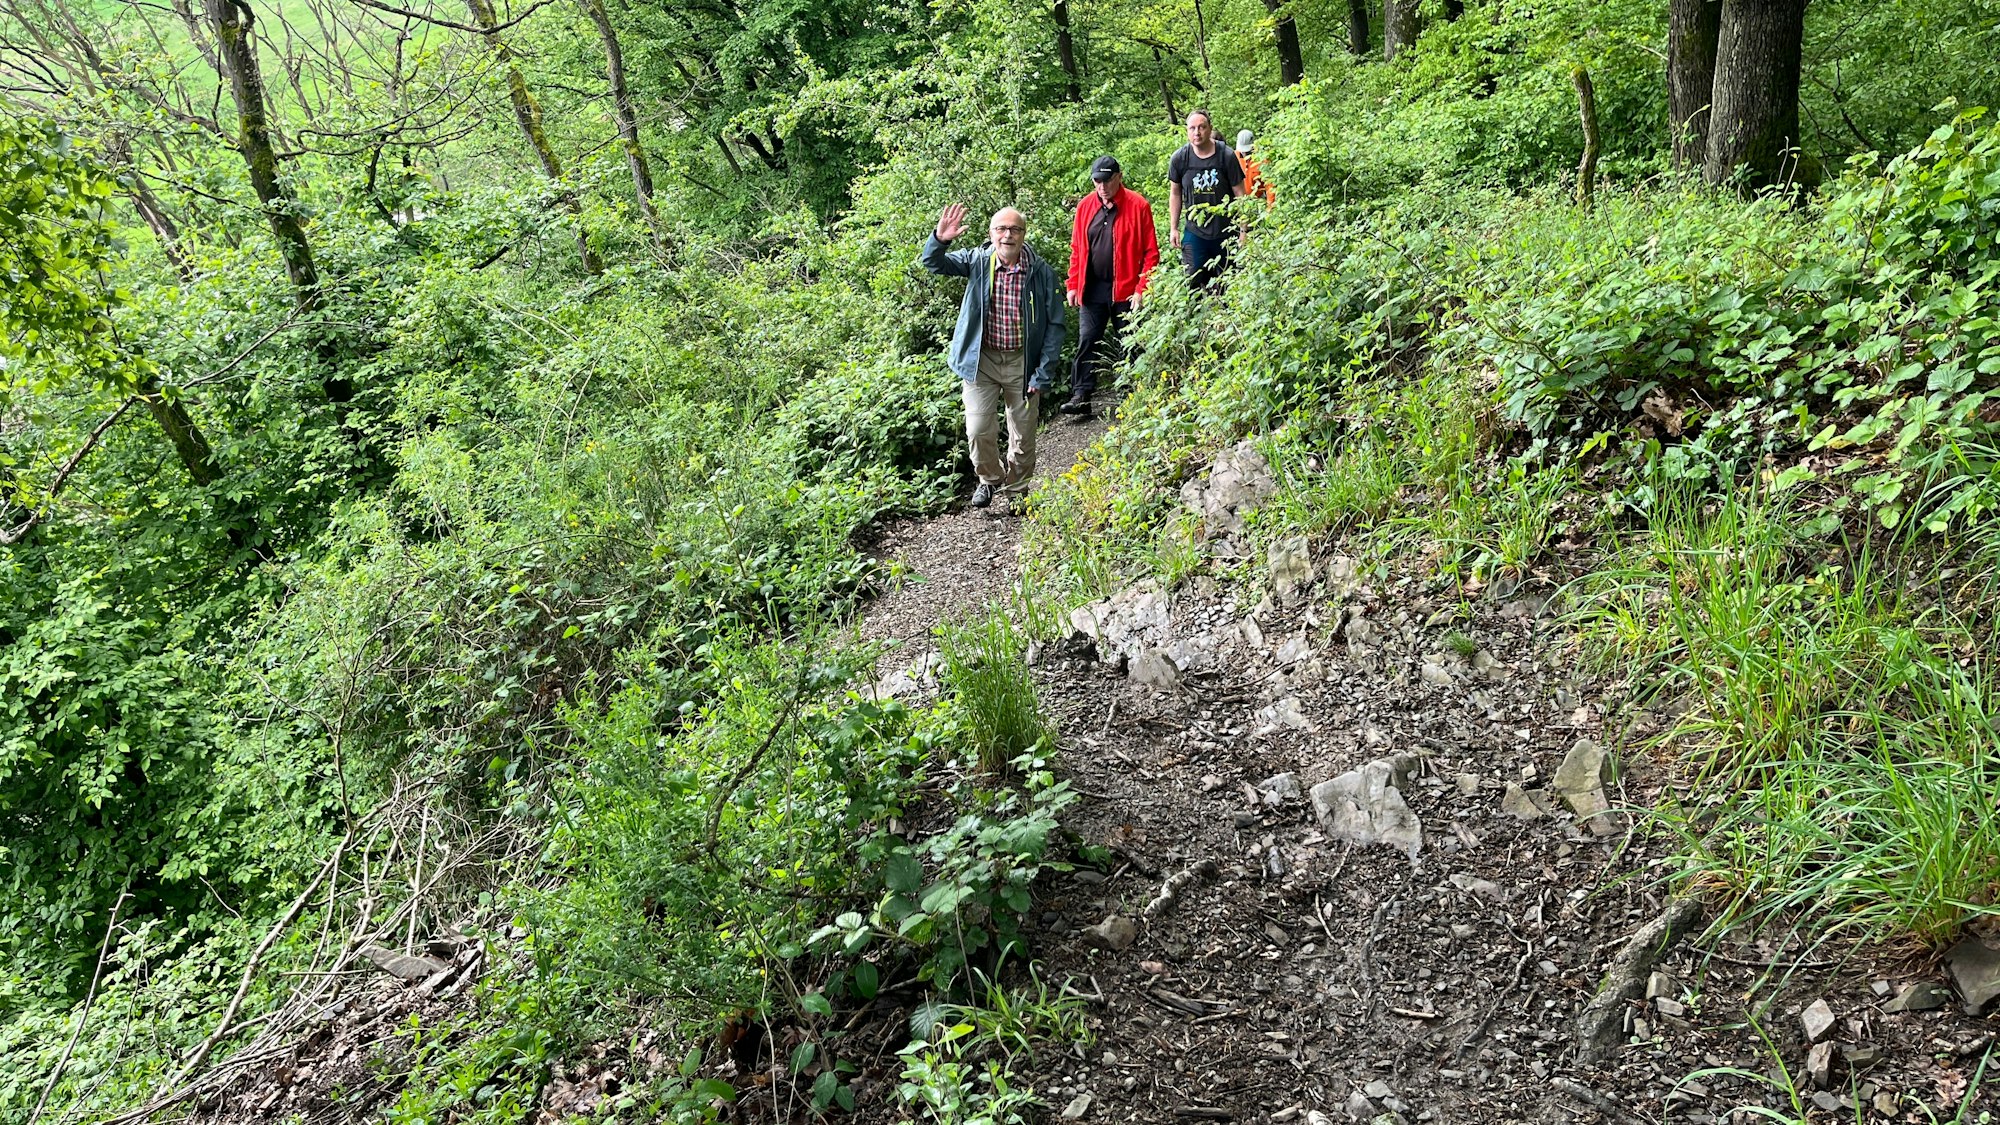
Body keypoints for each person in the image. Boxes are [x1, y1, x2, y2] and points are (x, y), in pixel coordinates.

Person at [919, 203, 1065, 509]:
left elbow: (1055, 326)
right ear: (991, 233)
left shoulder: (1041, 273)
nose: (1007, 235)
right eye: (1001, 229)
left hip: (1023, 363)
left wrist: (1043, 372)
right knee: (977, 429)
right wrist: (940, 239)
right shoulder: (976, 261)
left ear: (1024, 235)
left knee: (1023, 436)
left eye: (1015, 229)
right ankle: (990, 479)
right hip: (981, 361)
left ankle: (1017, 492)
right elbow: (933, 263)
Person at [1061, 155, 1160, 417]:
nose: (1102, 186)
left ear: (1119, 177)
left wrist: (1142, 287)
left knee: (1130, 342)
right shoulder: (1084, 207)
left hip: (1126, 289)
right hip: (1091, 287)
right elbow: (1077, 250)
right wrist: (1072, 283)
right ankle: (1081, 396)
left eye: (1106, 180)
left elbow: (1151, 254)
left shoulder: (1138, 205)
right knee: (1087, 340)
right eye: (1097, 181)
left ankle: (1134, 396)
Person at [1167, 109, 1246, 291]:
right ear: (1187, 131)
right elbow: (1175, 193)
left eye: (1202, 127)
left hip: (1226, 230)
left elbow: (1241, 194)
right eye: (1192, 128)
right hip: (1195, 232)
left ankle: (1226, 318)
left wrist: (1244, 230)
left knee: (1230, 286)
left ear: (1210, 129)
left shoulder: (1226, 156)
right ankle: (1198, 318)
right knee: (1193, 283)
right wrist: (1174, 228)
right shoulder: (1180, 158)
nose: (1197, 132)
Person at [1237, 129, 1275, 206]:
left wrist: (1270, 207)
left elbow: (1270, 186)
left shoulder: (1262, 161)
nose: (1244, 153)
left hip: (1257, 202)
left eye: (1247, 151)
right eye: (1242, 151)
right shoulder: (1233, 157)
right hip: (1238, 202)